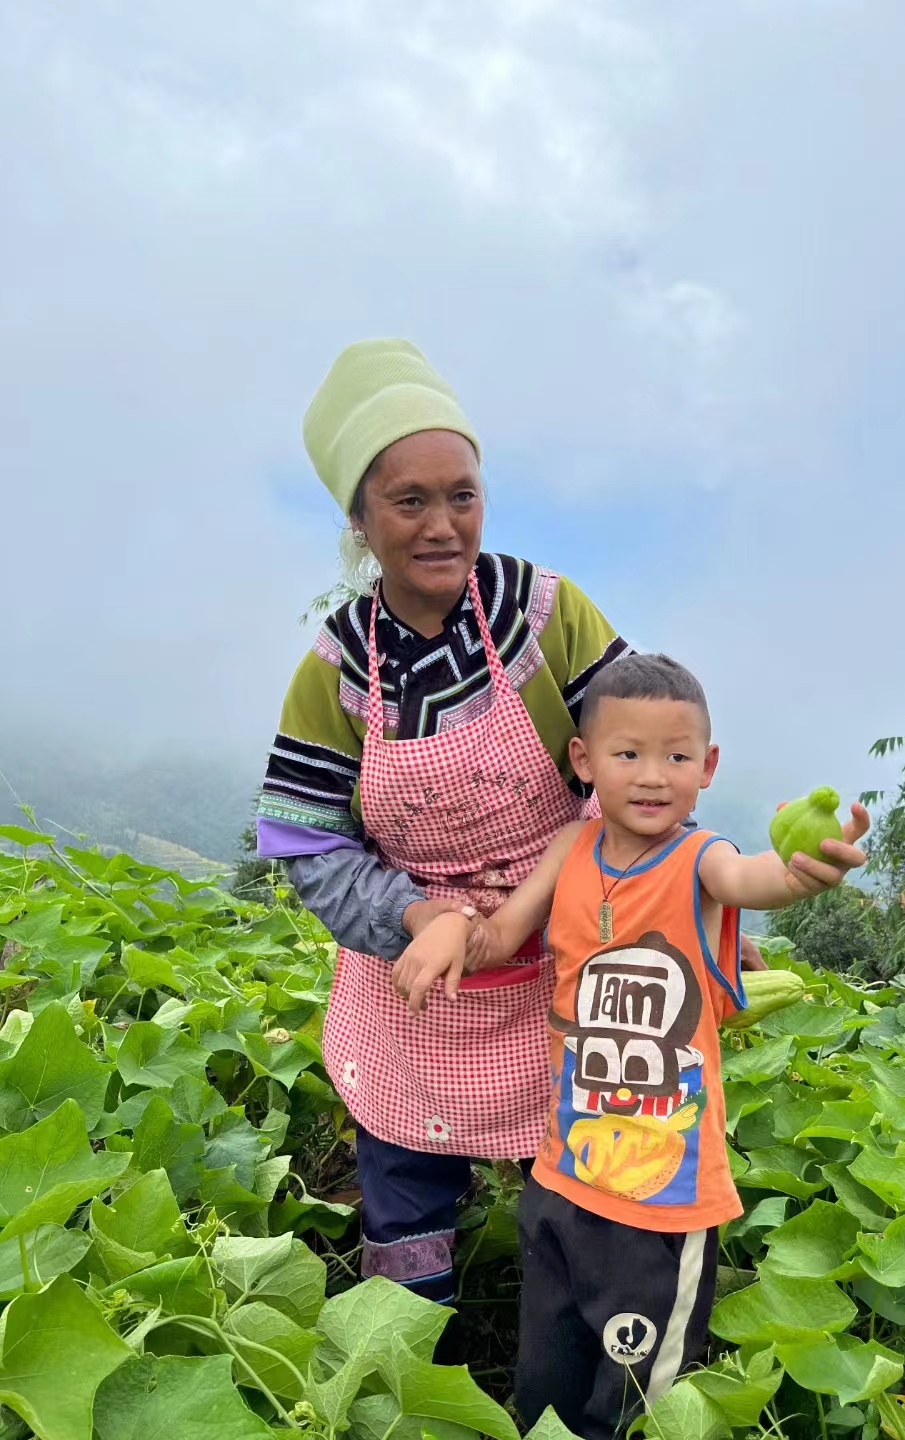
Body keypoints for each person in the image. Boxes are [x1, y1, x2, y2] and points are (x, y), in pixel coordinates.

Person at [391, 653, 869, 1439]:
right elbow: (502, 934)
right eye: (628, 754)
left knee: (634, 1406)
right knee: (544, 1384)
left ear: (708, 766)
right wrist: (439, 925)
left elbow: (755, 879)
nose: (654, 776)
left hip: (664, 1200)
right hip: (562, 1175)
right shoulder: (569, 852)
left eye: (677, 757)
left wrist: (803, 874)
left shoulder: (700, 858)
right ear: (584, 762)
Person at [255, 339, 633, 1302]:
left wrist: (522, 916)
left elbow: (639, 772)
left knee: (585, 1197)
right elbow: (311, 843)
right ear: (358, 519)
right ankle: (407, 1360)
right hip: (418, 982)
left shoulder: (546, 618)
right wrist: (425, 918)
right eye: (408, 501)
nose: (441, 525)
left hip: (567, 951)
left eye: (461, 495)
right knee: (405, 1191)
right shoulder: (336, 669)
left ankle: (570, 1368)